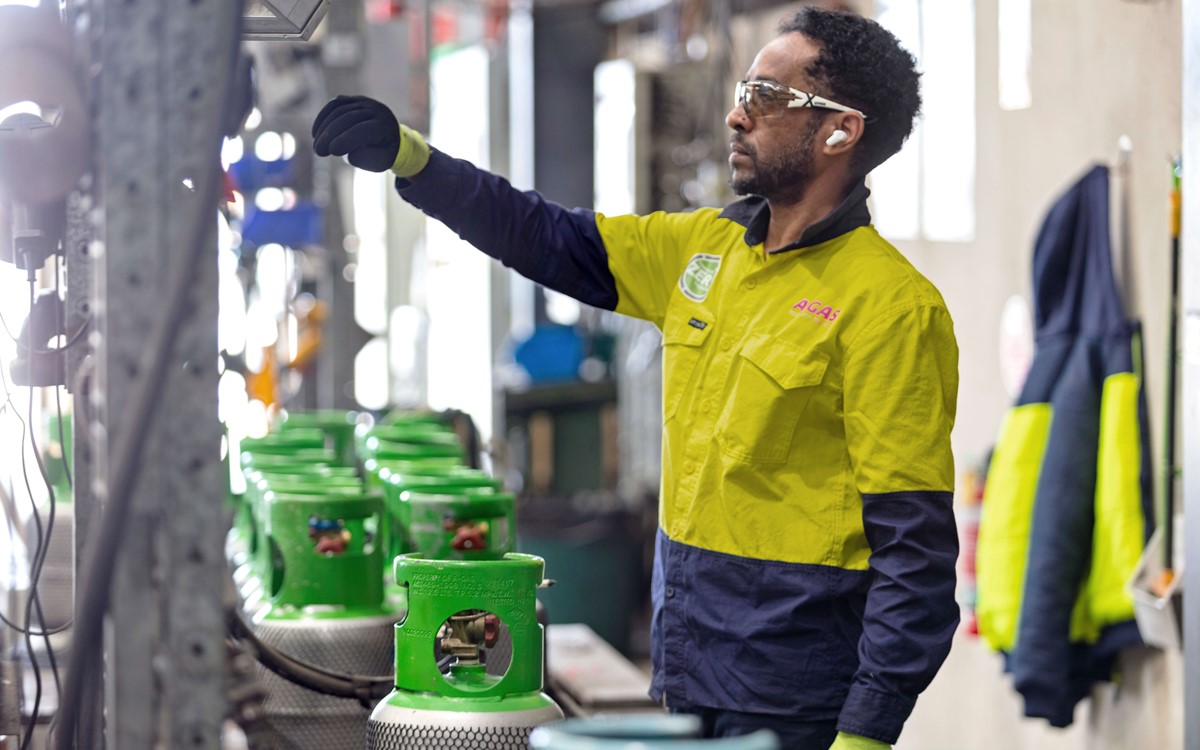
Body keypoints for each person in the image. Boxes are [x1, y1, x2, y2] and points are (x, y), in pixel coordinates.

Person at [312, 7, 958, 750]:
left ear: (841, 131)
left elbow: (915, 551)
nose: (736, 113)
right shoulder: (705, 250)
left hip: (796, 696)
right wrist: (415, 161)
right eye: (744, 89)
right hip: (687, 667)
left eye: (767, 97)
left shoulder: (890, 306)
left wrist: (867, 731)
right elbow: (546, 235)